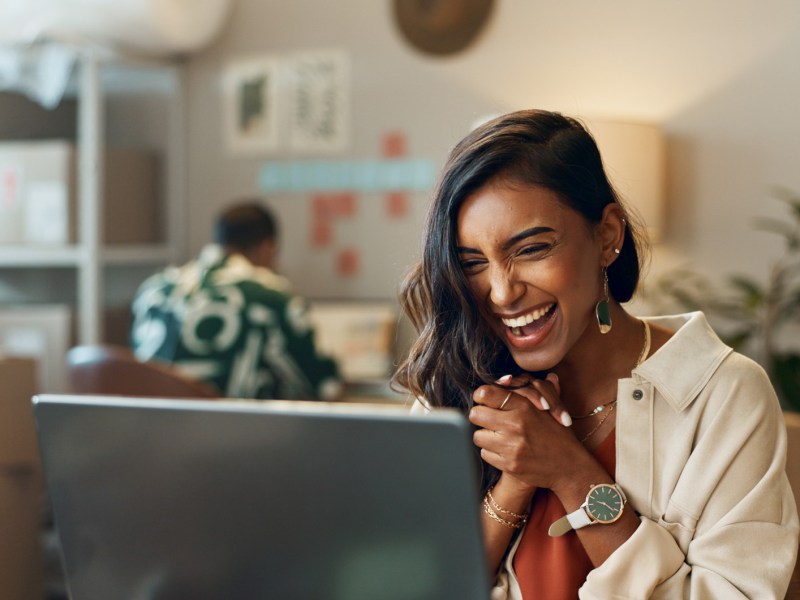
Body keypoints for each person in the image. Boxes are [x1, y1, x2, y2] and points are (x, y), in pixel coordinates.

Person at [392, 109, 799, 598]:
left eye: (531, 249)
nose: (501, 293)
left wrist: (570, 472)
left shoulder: (723, 393)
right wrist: (515, 483)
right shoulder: (456, 380)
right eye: (474, 263)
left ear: (607, 235)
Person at [131, 200, 342, 401]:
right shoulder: (271, 296)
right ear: (267, 248)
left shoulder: (155, 291)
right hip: (236, 434)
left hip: (152, 433)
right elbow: (324, 386)